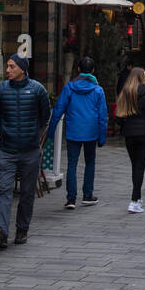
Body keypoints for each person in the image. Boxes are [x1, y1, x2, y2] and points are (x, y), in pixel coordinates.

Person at [0, 55, 51, 248]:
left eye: (11, 66)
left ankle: (22, 229)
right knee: (4, 190)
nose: (7, 70)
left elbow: (44, 116)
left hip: (30, 150)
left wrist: (33, 134)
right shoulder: (1, 90)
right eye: (7, 66)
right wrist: (6, 131)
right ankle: (0, 232)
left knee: (26, 192)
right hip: (7, 149)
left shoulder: (37, 90)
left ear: (22, 69)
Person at [48, 56, 108, 209]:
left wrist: (51, 131)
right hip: (91, 131)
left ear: (79, 69)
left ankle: (71, 199)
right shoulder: (98, 90)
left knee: (72, 164)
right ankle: (87, 195)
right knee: (90, 162)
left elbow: (58, 109)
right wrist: (102, 137)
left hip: (73, 130)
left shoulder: (69, 87)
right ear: (93, 71)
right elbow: (103, 116)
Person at [115, 67, 145, 212]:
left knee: (135, 166)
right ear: (141, 78)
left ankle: (138, 198)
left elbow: (118, 117)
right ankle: (134, 200)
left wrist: (125, 125)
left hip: (129, 134)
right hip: (144, 134)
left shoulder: (125, 92)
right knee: (139, 167)